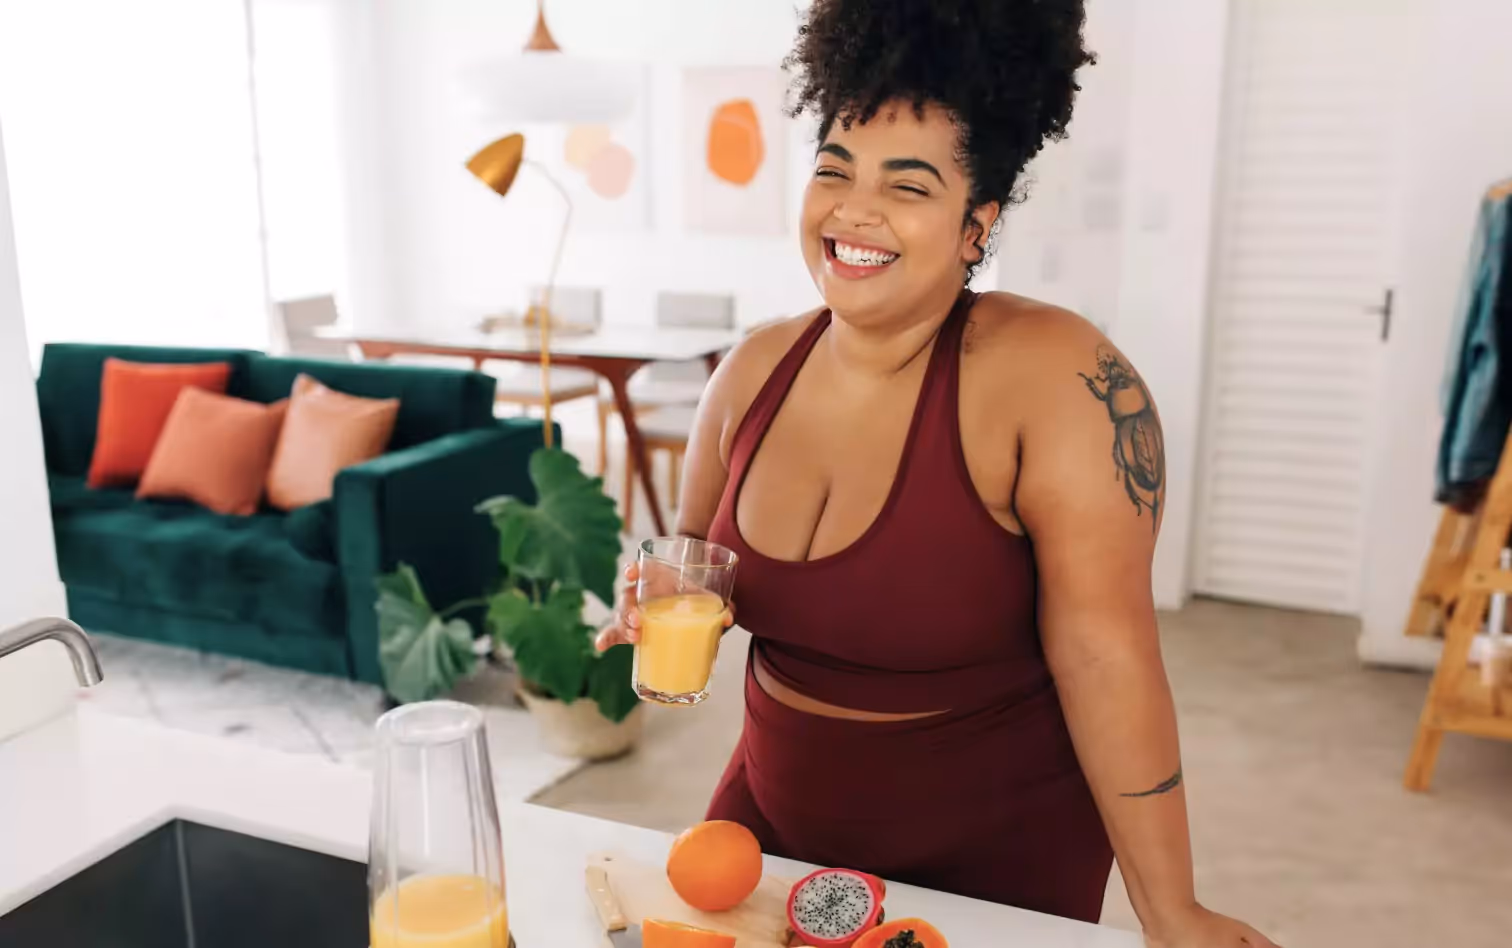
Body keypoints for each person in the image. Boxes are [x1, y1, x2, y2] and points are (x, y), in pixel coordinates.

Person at [598, 1, 1277, 944]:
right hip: (775, 828)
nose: (854, 211)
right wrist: (653, 604)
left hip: (995, 856)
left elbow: (1107, 657)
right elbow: (696, 578)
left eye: (907, 186)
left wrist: (1172, 909)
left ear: (976, 226)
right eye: (834, 170)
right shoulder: (751, 372)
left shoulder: (1059, 379)